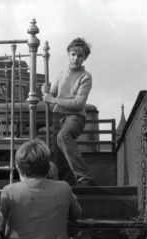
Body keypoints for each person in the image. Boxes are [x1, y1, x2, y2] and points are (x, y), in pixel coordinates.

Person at [43, 37, 94, 186]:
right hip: (58, 115)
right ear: (68, 54)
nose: (76, 58)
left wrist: (53, 100)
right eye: (73, 54)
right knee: (59, 155)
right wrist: (45, 91)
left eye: (80, 56)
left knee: (63, 136)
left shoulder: (85, 77)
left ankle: (84, 177)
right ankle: (67, 184)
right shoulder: (62, 73)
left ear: (84, 58)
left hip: (75, 116)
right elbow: (51, 93)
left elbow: (78, 103)